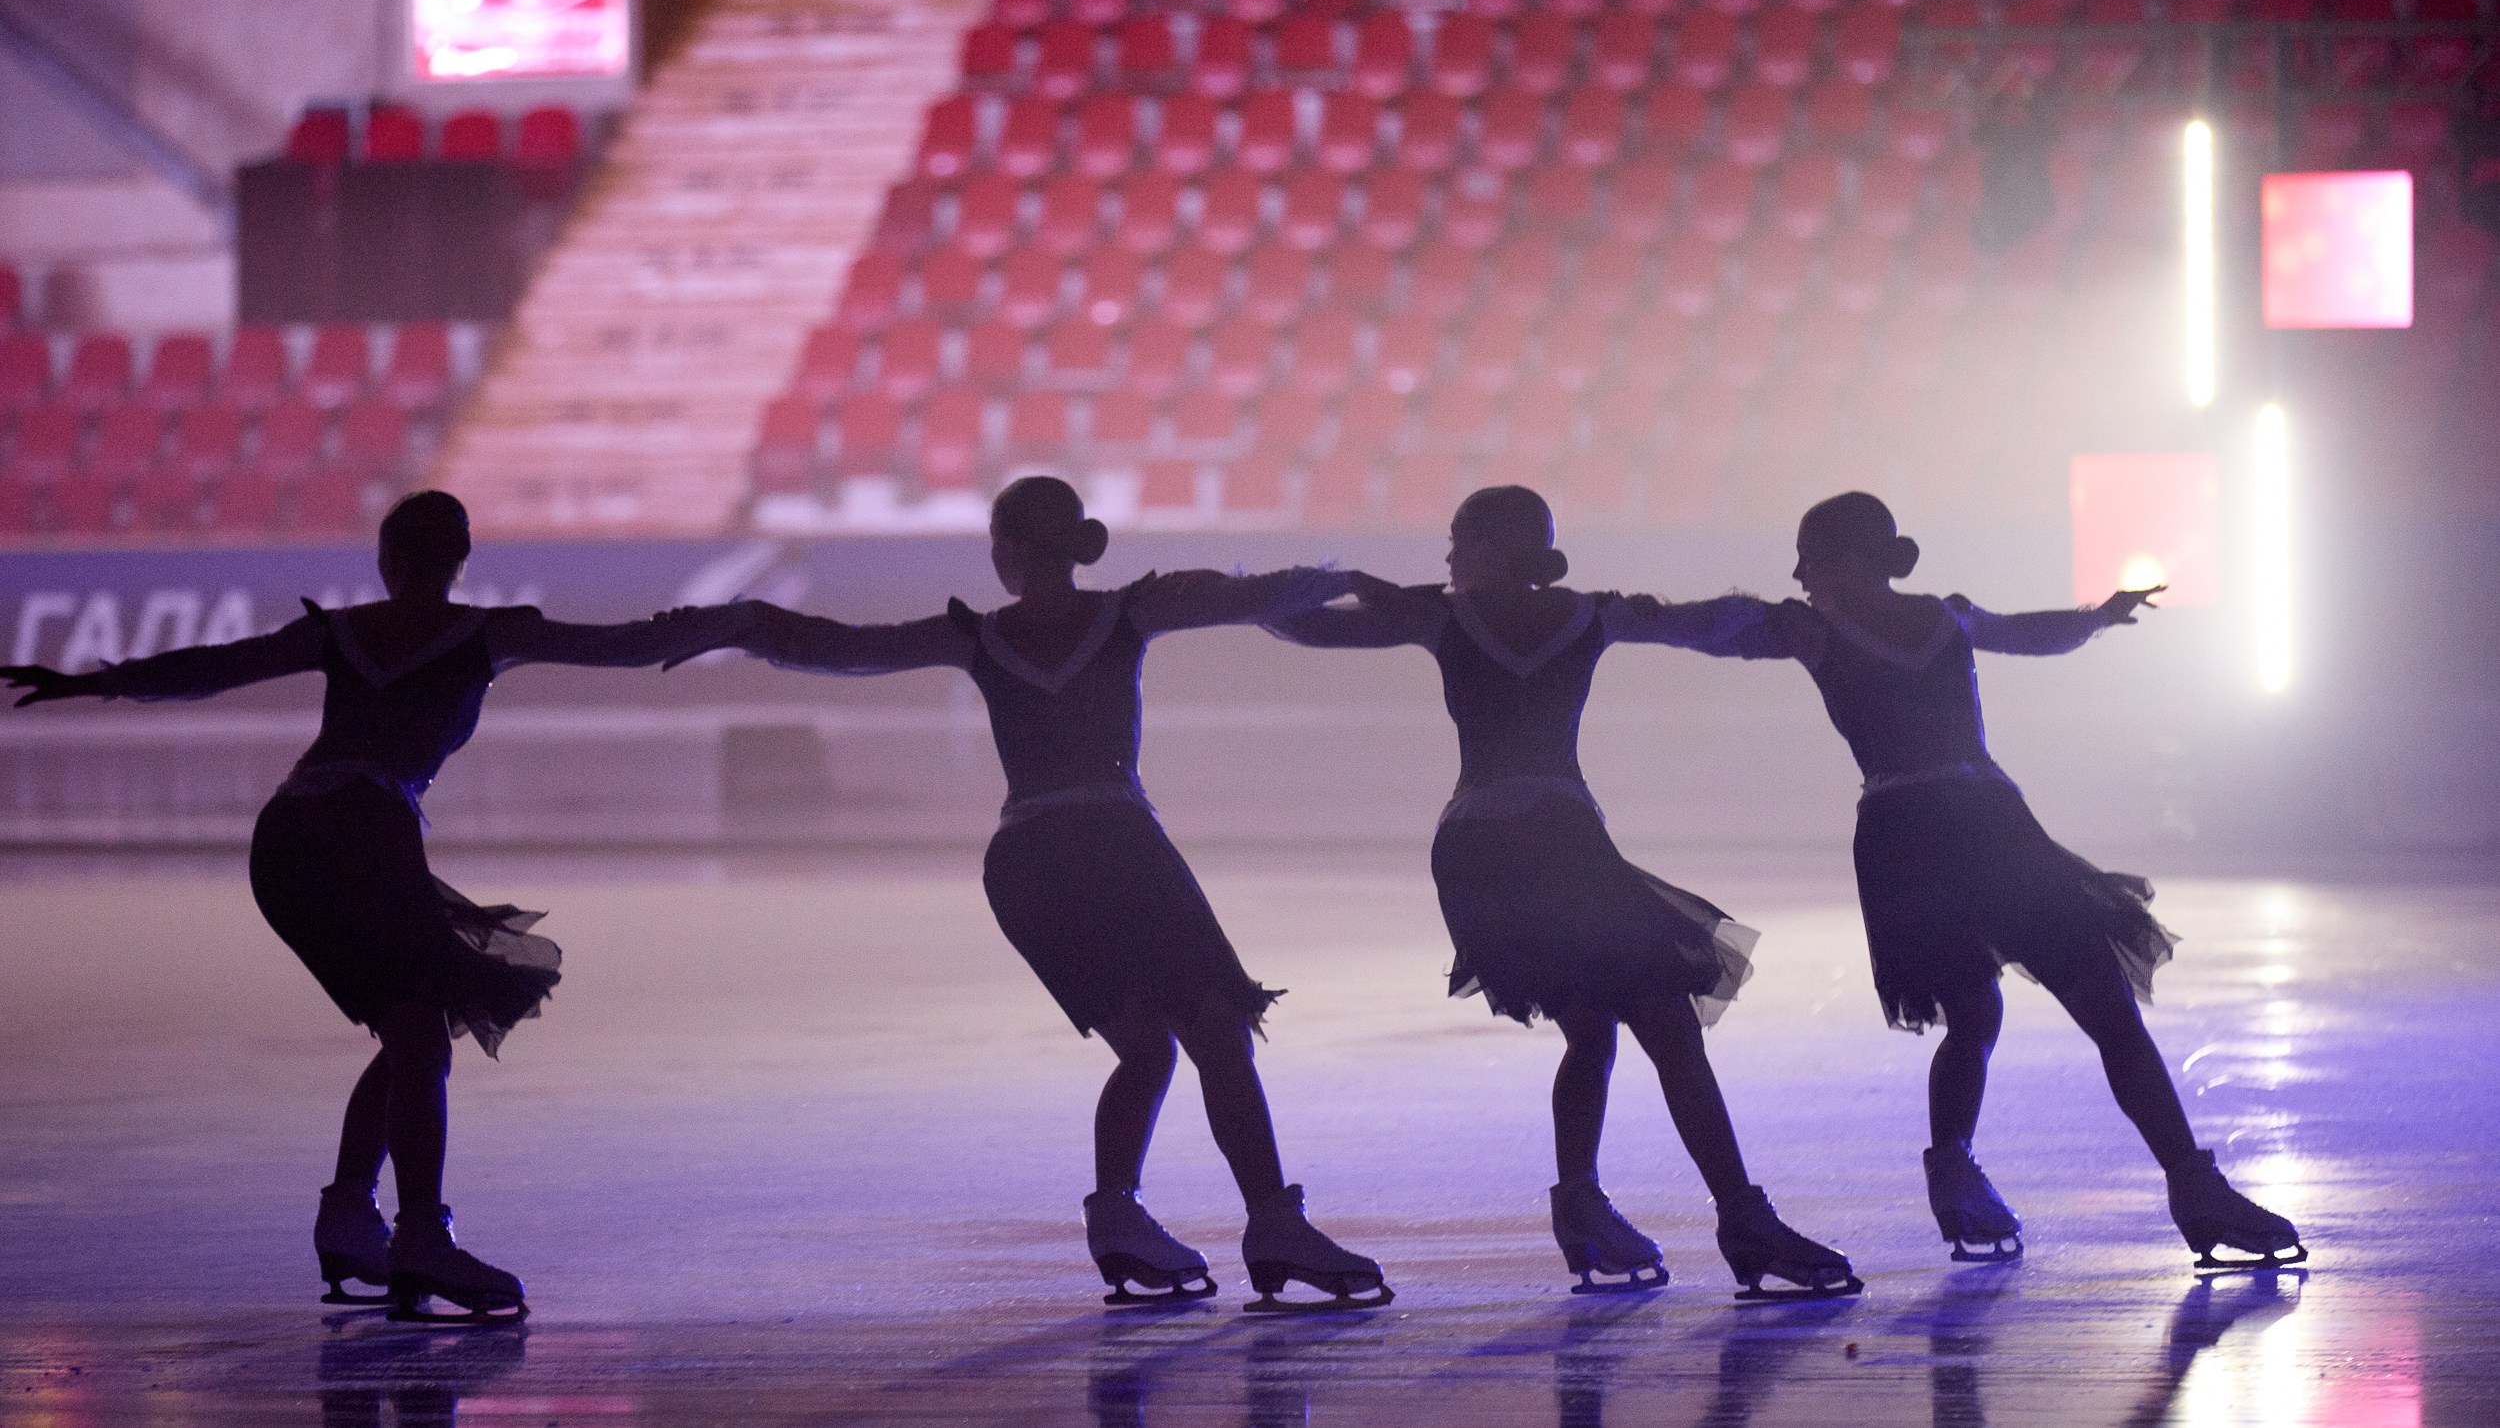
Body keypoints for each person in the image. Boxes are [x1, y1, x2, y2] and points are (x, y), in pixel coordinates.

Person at [1, 491, 746, 1320]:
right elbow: (626, 646)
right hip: (362, 836)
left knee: (409, 1029)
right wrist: (730, 623)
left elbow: (217, 665)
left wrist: (96, 683)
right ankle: (418, 1232)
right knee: (421, 1032)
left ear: (386, 561)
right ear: (461, 560)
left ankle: (353, 1213)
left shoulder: (341, 630)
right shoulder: (492, 632)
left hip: (291, 840)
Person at [713, 476, 1391, 1311]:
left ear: (1010, 548)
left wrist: (743, 628)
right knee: (1216, 1033)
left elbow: (844, 647)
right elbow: (1250, 594)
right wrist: (1347, 575)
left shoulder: (982, 636)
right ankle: (1271, 1224)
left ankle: (1118, 1219)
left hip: (1029, 864)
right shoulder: (1128, 611)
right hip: (1114, 844)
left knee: (1146, 1048)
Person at [1268, 486, 1859, 1299]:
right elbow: (1700, 625)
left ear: (1483, 546)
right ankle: (1739, 1215)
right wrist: (1794, 626)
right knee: (1665, 1022)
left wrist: (1301, 584)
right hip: (1557, 839)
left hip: (1479, 847)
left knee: (1591, 1026)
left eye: (1455, 540)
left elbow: (1304, 627)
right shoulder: (1587, 614)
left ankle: (1583, 1203)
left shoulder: (1441, 618)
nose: (1446, 559)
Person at [1693, 490, 2304, 1270]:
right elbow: (2029, 634)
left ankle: (1958, 1168)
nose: (1799, 574)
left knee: (1979, 1008)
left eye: (1808, 558)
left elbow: (1709, 627)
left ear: (1847, 562)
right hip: (1979, 821)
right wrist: (2097, 617)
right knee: (2093, 1006)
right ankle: (2187, 1183)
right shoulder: (1929, 618)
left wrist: (1615, 618)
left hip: (1909, 835)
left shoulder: (1825, 627)